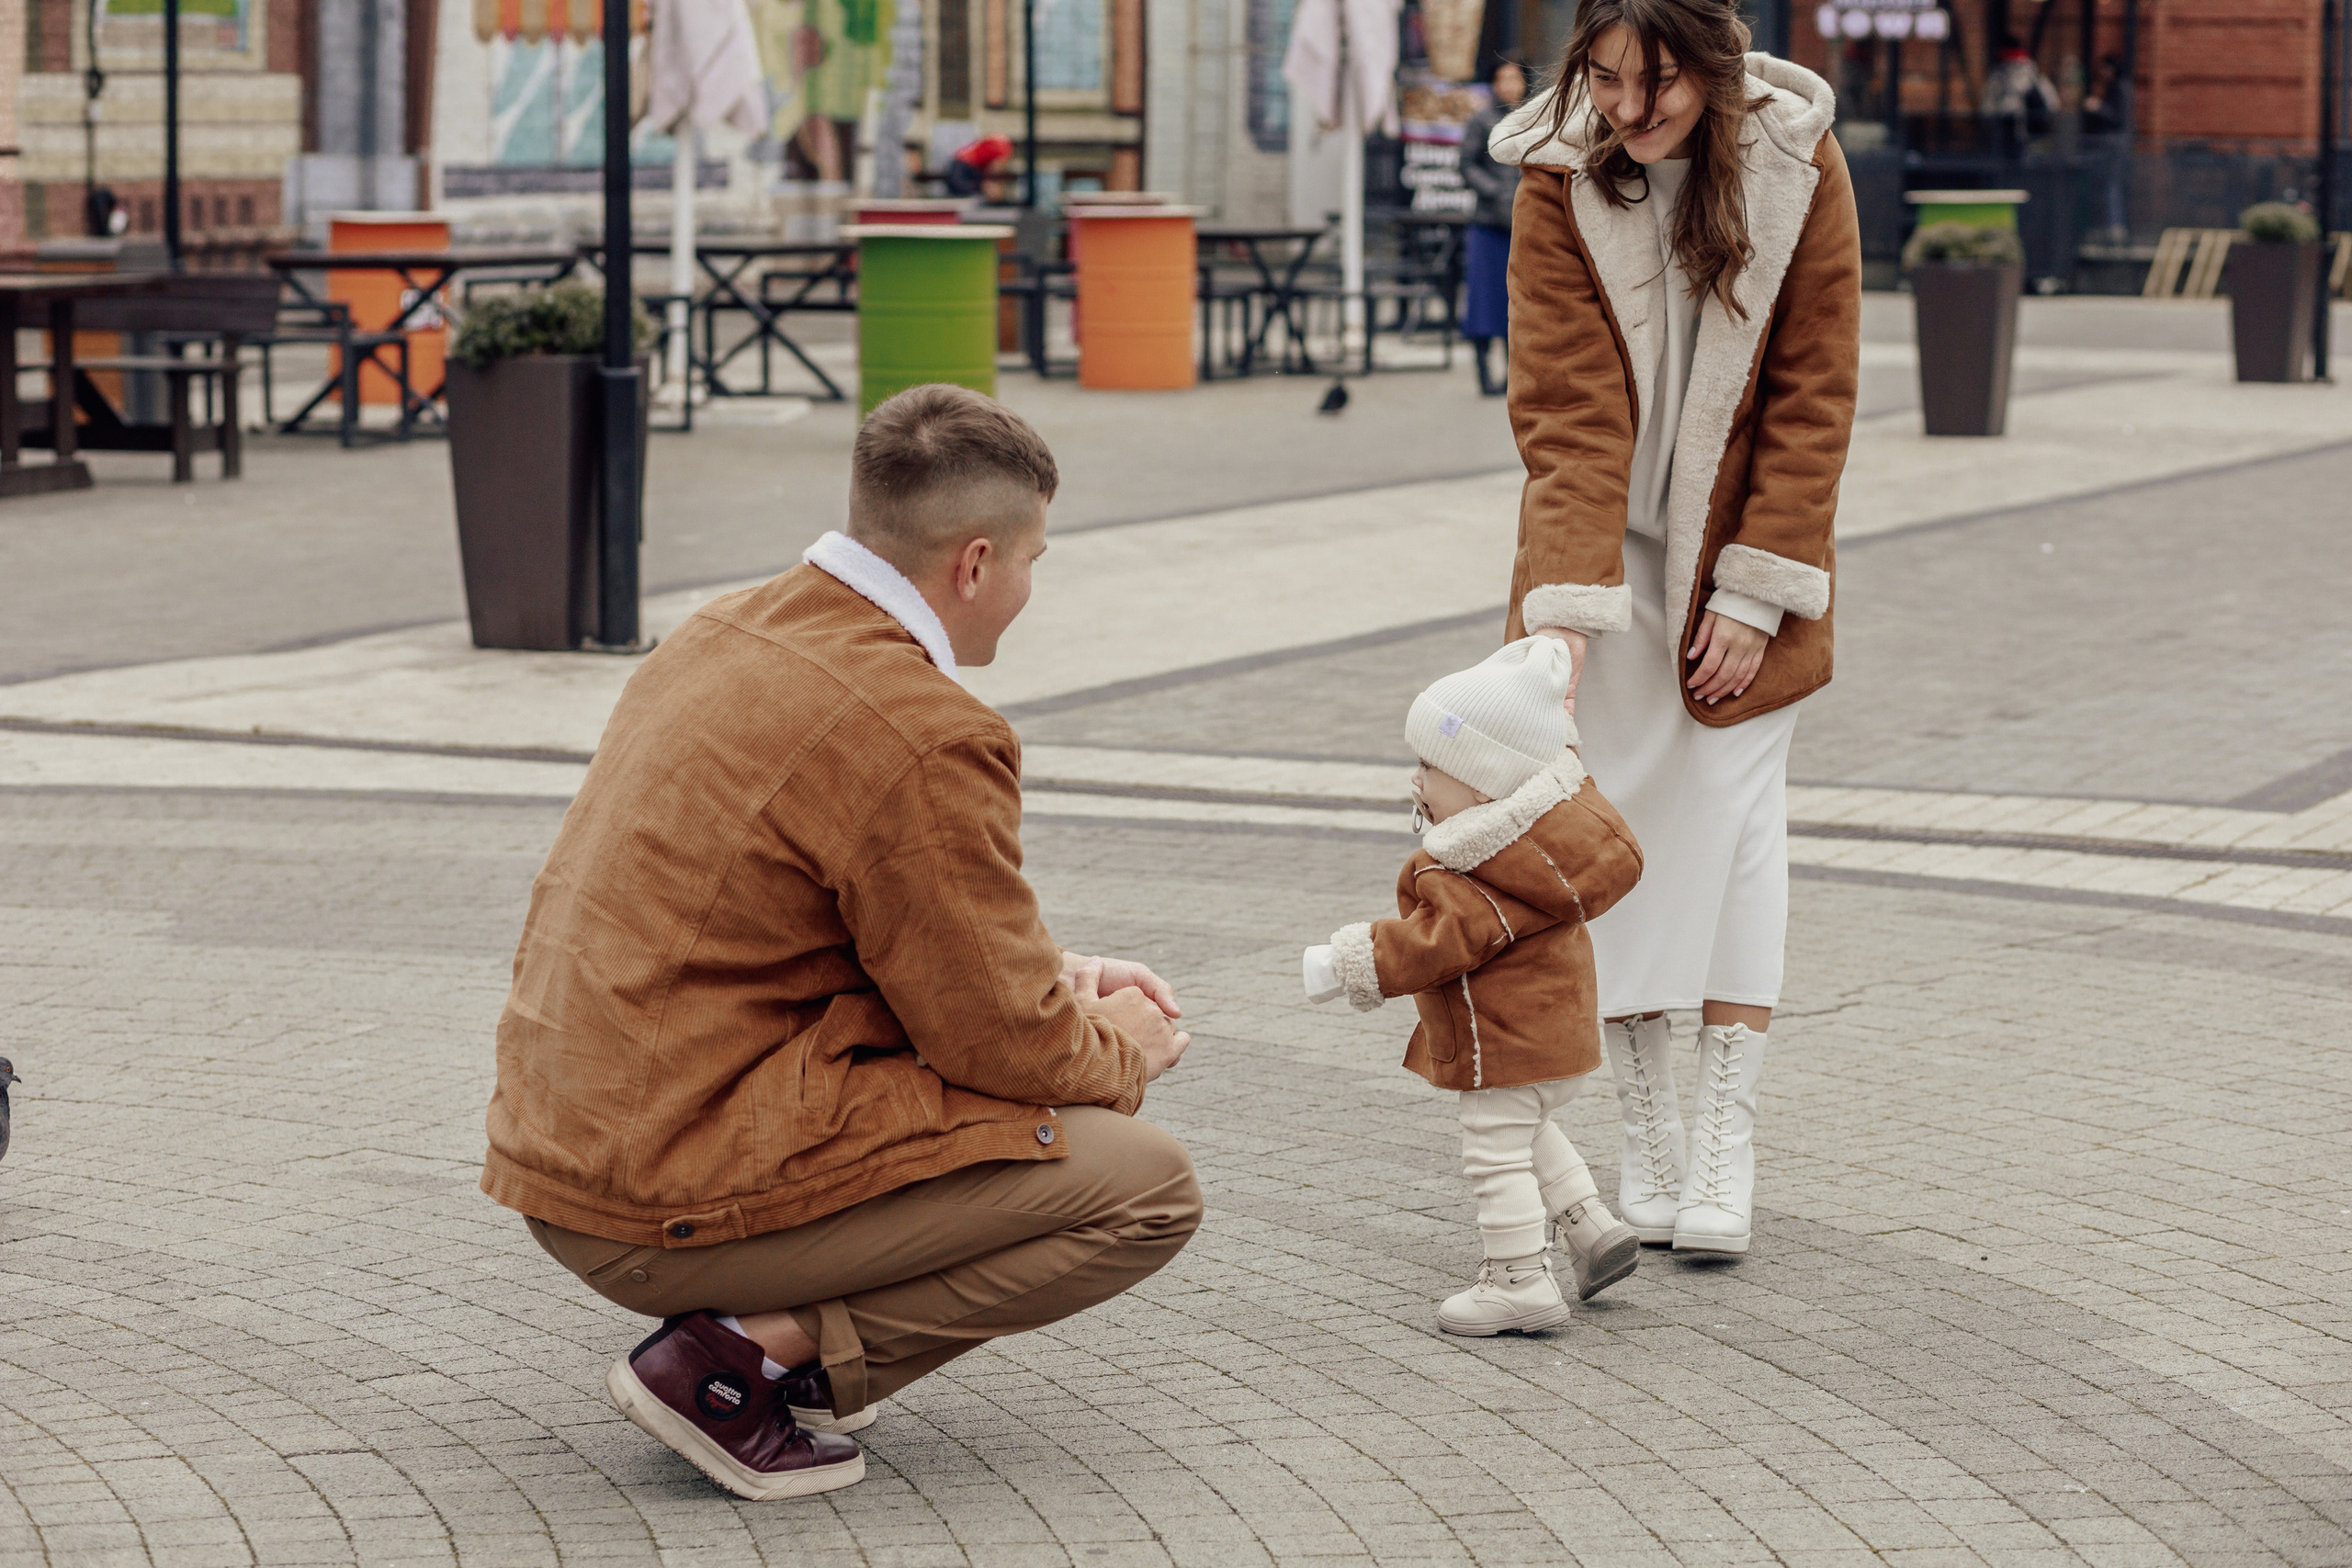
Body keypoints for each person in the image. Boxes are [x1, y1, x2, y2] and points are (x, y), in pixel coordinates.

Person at [481, 384, 1202, 1502]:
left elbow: (814, 924)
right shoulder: (920, 727)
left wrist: (1060, 979)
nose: (1027, 587)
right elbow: (1002, 1046)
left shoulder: (727, 627)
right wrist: (1118, 1051)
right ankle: (734, 1366)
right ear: (973, 564)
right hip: (658, 1189)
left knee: (1054, 1100)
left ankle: (769, 1350)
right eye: (1032, 560)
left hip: (575, 1145)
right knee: (1142, 1186)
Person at [1483, 0, 1860, 1256]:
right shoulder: (1560, 173)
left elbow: (1816, 391)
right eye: (1606, 81)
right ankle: (1647, 1128)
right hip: (1616, 567)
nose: (1631, 115)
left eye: (1659, 87)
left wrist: (1757, 592)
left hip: (1746, 562)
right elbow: (1566, 412)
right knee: (1622, 832)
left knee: (1741, 833)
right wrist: (1571, 611)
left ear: (1713, 66)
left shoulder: (1797, 162)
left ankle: (1724, 1142)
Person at [1300, 638, 1645, 1335]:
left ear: (1484, 784)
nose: (1416, 780)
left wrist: (1348, 961)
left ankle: (1517, 1278)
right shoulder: (1543, 850)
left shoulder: (1479, 868)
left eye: (1429, 764)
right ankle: (1588, 1223)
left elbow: (1437, 941)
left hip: (1506, 1041)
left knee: (1493, 1149)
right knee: (1530, 1124)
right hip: (1557, 1040)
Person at [1459, 62, 1529, 396]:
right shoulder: (1481, 120)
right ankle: (1482, 371)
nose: (1509, 84)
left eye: (1515, 77)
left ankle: (1512, 374)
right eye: (1503, 78)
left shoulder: (1532, 120)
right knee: (1483, 302)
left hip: (1520, 226)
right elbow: (1466, 165)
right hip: (1487, 225)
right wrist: (1495, 192)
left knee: (1514, 304)